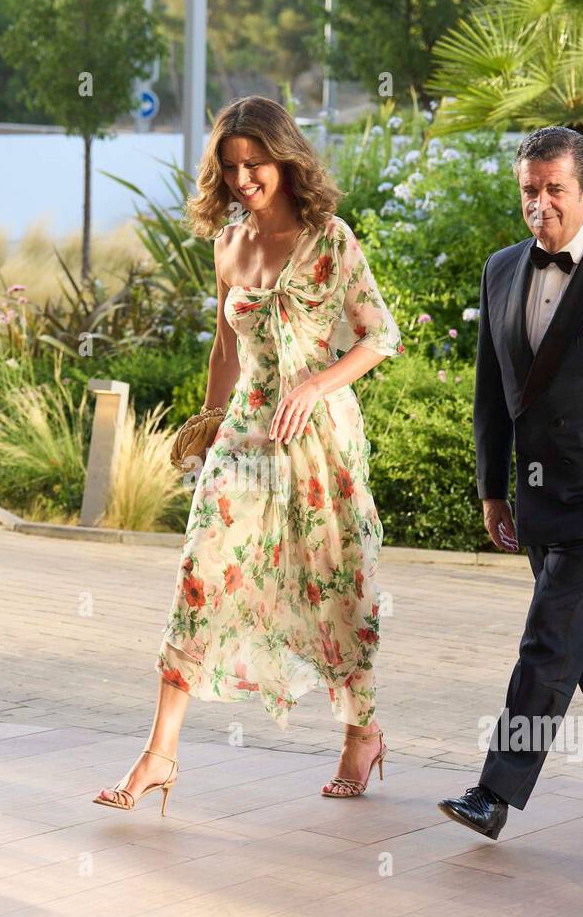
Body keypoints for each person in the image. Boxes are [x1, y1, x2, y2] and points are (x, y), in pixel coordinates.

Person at [94, 95, 403, 813]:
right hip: (244, 435)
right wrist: (207, 423)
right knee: (202, 573)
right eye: (230, 167)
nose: (242, 179)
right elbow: (225, 347)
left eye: (254, 164)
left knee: (336, 583)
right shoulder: (229, 245)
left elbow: (378, 336)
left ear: (284, 158)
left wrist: (317, 387)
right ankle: (159, 754)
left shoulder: (330, 239)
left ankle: (362, 732)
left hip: (317, 438)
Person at [439, 125, 583, 841]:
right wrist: (491, 488)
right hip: (540, 492)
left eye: (555, 190)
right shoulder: (500, 269)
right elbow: (490, 392)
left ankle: (495, 791)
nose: (540, 204)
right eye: (529, 191)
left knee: (552, 634)